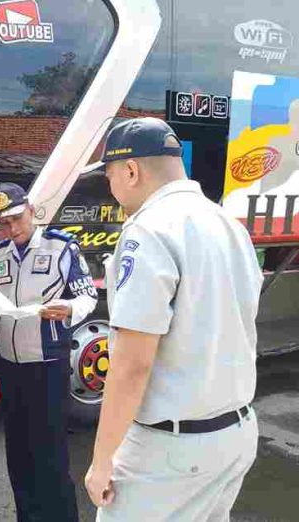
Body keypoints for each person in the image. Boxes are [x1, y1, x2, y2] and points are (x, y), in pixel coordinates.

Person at [85, 118, 262, 521]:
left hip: (171, 451)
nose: (110, 189)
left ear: (131, 171)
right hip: (235, 435)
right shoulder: (229, 225)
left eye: (110, 175)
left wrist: (102, 460)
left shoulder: (148, 230)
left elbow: (132, 365)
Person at [0, 182, 97, 522]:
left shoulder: (61, 248)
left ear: (30, 209)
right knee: (19, 454)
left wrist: (69, 309)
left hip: (47, 365)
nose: (11, 228)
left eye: (15, 218)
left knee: (50, 455)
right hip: (10, 367)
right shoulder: (0, 254)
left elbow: (87, 296)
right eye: (3, 223)